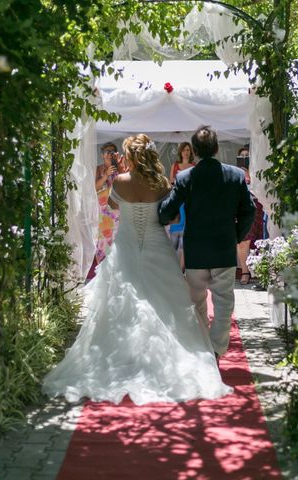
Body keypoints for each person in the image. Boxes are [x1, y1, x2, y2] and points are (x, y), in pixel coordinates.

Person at [42, 134, 231, 405]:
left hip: (127, 247)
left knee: (121, 306)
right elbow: (171, 215)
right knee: (164, 303)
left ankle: (124, 357)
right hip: (158, 247)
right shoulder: (162, 183)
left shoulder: (119, 181)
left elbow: (112, 205)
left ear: (130, 157)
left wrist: (122, 173)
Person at [159, 126, 257, 360]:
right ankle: (216, 348)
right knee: (224, 300)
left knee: (196, 300)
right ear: (216, 148)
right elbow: (249, 211)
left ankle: (202, 344)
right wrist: (236, 234)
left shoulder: (185, 177)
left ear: (194, 151)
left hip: (196, 249)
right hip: (223, 246)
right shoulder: (234, 175)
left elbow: (166, 212)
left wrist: (160, 209)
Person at [235, 146, 266, 285]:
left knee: (259, 239)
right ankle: (245, 272)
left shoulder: (257, 172)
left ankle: (260, 271)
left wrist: (251, 174)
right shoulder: (236, 173)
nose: (244, 158)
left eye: (247, 156)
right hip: (242, 208)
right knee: (243, 241)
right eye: (242, 156)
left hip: (257, 206)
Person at [94, 142, 127, 265]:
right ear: (102, 155)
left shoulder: (121, 169)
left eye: (112, 151)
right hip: (102, 214)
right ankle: (102, 275)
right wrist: (105, 175)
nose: (109, 154)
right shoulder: (98, 169)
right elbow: (94, 188)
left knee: (117, 245)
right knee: (102, 245)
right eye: (107, 152)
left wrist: (120, 171)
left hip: (117, 213)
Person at [168, 142, 196, 270]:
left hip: (189, 200)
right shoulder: (175, 165)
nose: (186, 152)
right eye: (184, 150)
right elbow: (171, 183)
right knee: (175, 233)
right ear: (180, 151)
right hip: (178, 200)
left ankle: (182, 268)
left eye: (188, 150)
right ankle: (173, 267)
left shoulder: (193, 166)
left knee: (186, 236)